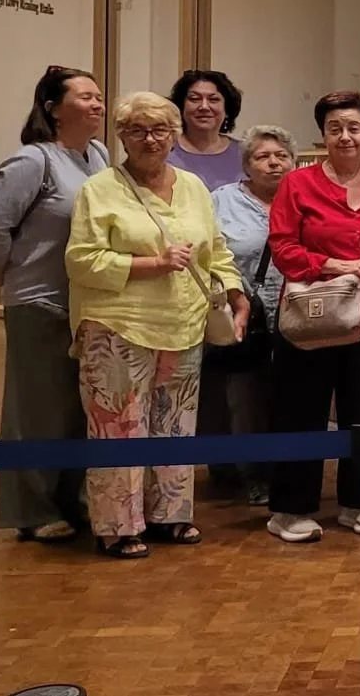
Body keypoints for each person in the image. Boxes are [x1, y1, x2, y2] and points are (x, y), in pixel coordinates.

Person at [64, 92, 247, 558]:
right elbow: (81, 261)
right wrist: (154, 264)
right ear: (122, 136)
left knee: (176, 425)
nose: (150, 139)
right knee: (118, 425)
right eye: (138, 130)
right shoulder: (99, 189)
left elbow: (217, 250)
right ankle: (117, 526)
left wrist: (235, 292)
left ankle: (171, 515)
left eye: (160, 130)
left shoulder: (192, 186)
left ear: (173, 135)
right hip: (117, 326)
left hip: (184, 324)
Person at [0, 65, 110, 543]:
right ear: (53, 108)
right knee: (35, 410)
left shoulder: (98, 155)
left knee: (76, 408)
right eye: (86, 97)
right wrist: (6, 271)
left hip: (86, 302)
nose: (97, 104)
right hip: (38, 301)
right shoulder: (34, 160)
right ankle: (31, 510)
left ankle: (73, 500)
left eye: (99, 97)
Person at [264, 90, 360, 543]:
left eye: (354, 128)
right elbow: (283, 248)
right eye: (335, 128)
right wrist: (334, 265)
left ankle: (357, 501)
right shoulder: (298, 184)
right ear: (323, 135)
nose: (345, 136)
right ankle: (290, 508)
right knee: (299, 411)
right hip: (312, 317)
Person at [202, 125, 297, 508]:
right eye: (262, 156)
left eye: (281, 156)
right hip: (243, 313)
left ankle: (285, 471)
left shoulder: (304, 195)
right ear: (246, 164)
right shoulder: (222, 200)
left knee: (288, 398)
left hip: (299, 315)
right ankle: (251, 474)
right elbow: (207, 251)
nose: (273, 163)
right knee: (244, 398)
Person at [167, 70, 245, 190]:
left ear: (227, 108)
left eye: (213, 100)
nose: (204, 107)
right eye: (194, 99)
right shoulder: (165, 150)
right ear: (181, 107)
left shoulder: (245, 153)